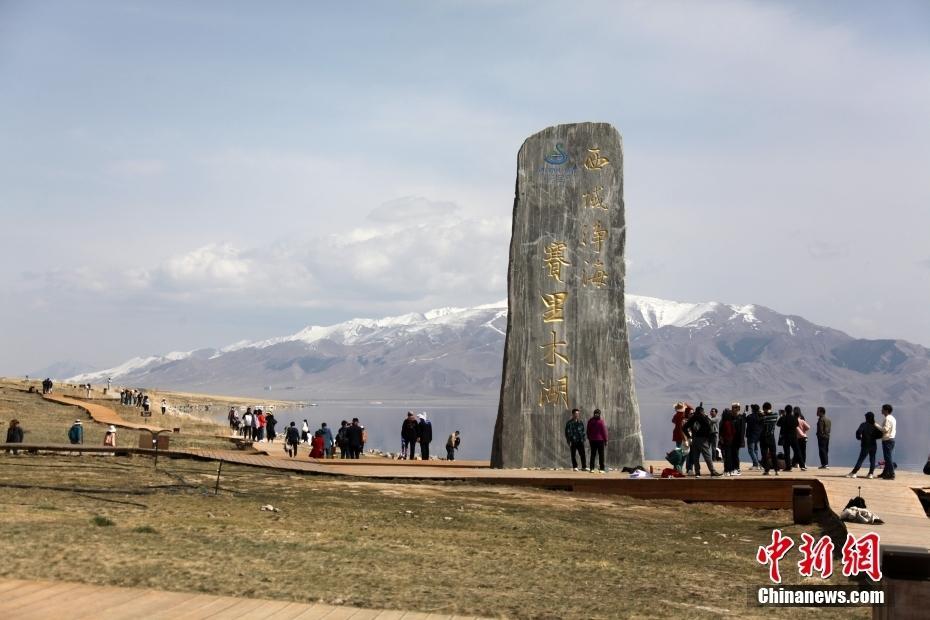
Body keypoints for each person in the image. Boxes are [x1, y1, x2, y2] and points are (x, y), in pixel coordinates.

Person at [682, 405, 721, 477]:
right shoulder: (704, 418)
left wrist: (689, 436)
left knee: (696, 457)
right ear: (702, 411)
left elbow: (684, 428)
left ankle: (697, 472)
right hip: (703, 440)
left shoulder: (692, 418)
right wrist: (707, 438)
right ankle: (712, 471)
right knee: (707, 456)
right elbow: (709, 428)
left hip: (694, 439)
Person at [847, 412, 883, 479]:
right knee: (872, 459)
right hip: (873, 445)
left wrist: (859, 438)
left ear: (866, 417)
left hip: (865, 444)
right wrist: (875, 437)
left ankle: (854, 473)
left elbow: (858, 432)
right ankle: (871, 474)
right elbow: (881, 434)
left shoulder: (863, 424)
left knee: (861, 459)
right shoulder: (875, 425)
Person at [778, 405, 799, 472]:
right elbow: (797, 424)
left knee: (787, 453)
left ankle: (788, 467)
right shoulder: (794, 418)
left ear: (785, 410)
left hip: (786, 437)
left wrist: (781, 416)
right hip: (794, 437)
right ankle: (798, 464)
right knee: (797, 451)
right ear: (791, 410)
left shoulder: (784, 417)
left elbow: (778, 424)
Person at [586, 408, 608, 473]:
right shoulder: (600, 421)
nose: (597, 415)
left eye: (597, 414)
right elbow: (604, 431)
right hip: (597, 440)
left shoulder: (591, 421)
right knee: (598, 455)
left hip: (596, 440)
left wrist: (589, 438)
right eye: (596, 414)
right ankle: (599, 469)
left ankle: (595, 468)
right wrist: (606, 440)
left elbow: (588, 431)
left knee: (596, 455)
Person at [760, 402, 779, 476]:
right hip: (771, 437)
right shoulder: (775, 415)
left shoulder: (763, 417)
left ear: (764, 408)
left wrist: (762, 414)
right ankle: (776, 470)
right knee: (773, 454)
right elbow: (775, 415)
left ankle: (767, 470)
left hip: (763, 437)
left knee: (764, 454)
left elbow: (760, 422)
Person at [879, 404, 896, 480]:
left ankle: (892, 474)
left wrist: (876, 425)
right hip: (891, 439)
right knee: (887, 458)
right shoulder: (892, 418)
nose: (881, 410)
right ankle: (885, 473)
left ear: (886, 410)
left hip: (887, 440)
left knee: (888, 458)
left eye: (882, 409)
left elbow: (885, 429)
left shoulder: (887, 419)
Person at [745, 404, 763, 470]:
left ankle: (756, 464)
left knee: (751, 450)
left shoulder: (750, 416)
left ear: (753, 409)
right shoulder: (760, 416)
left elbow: (744, 419)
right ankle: (756, 464)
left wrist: (745, 412)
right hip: (758, 435)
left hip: (751, 435)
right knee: (755, 450)